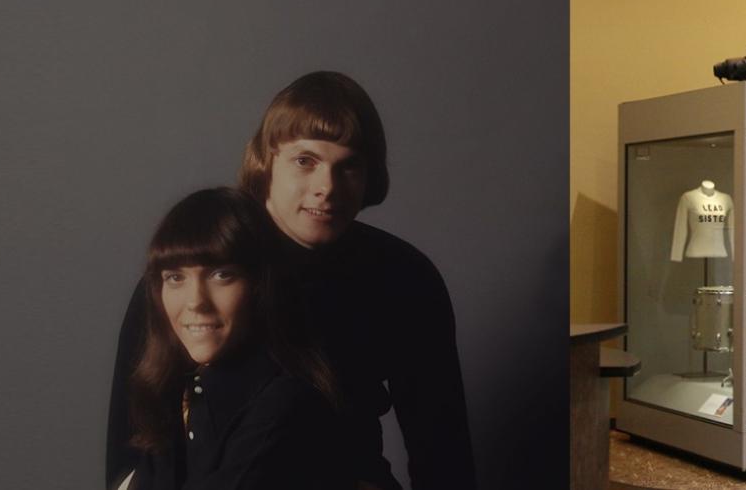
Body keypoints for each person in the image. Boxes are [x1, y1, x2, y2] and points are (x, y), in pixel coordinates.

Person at [108, 71, 475, 489]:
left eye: (349, 166)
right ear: (266, 160)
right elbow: (131, 434)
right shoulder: (192, 267)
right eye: (305, 161)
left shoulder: (404, 277)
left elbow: (442, 451)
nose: (326, 188)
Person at [123, 188, 350, 490]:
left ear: (261, 285)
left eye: (221, 275)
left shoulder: (286, 405)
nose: (195, 302)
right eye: (175, 278)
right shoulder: (180, 391)